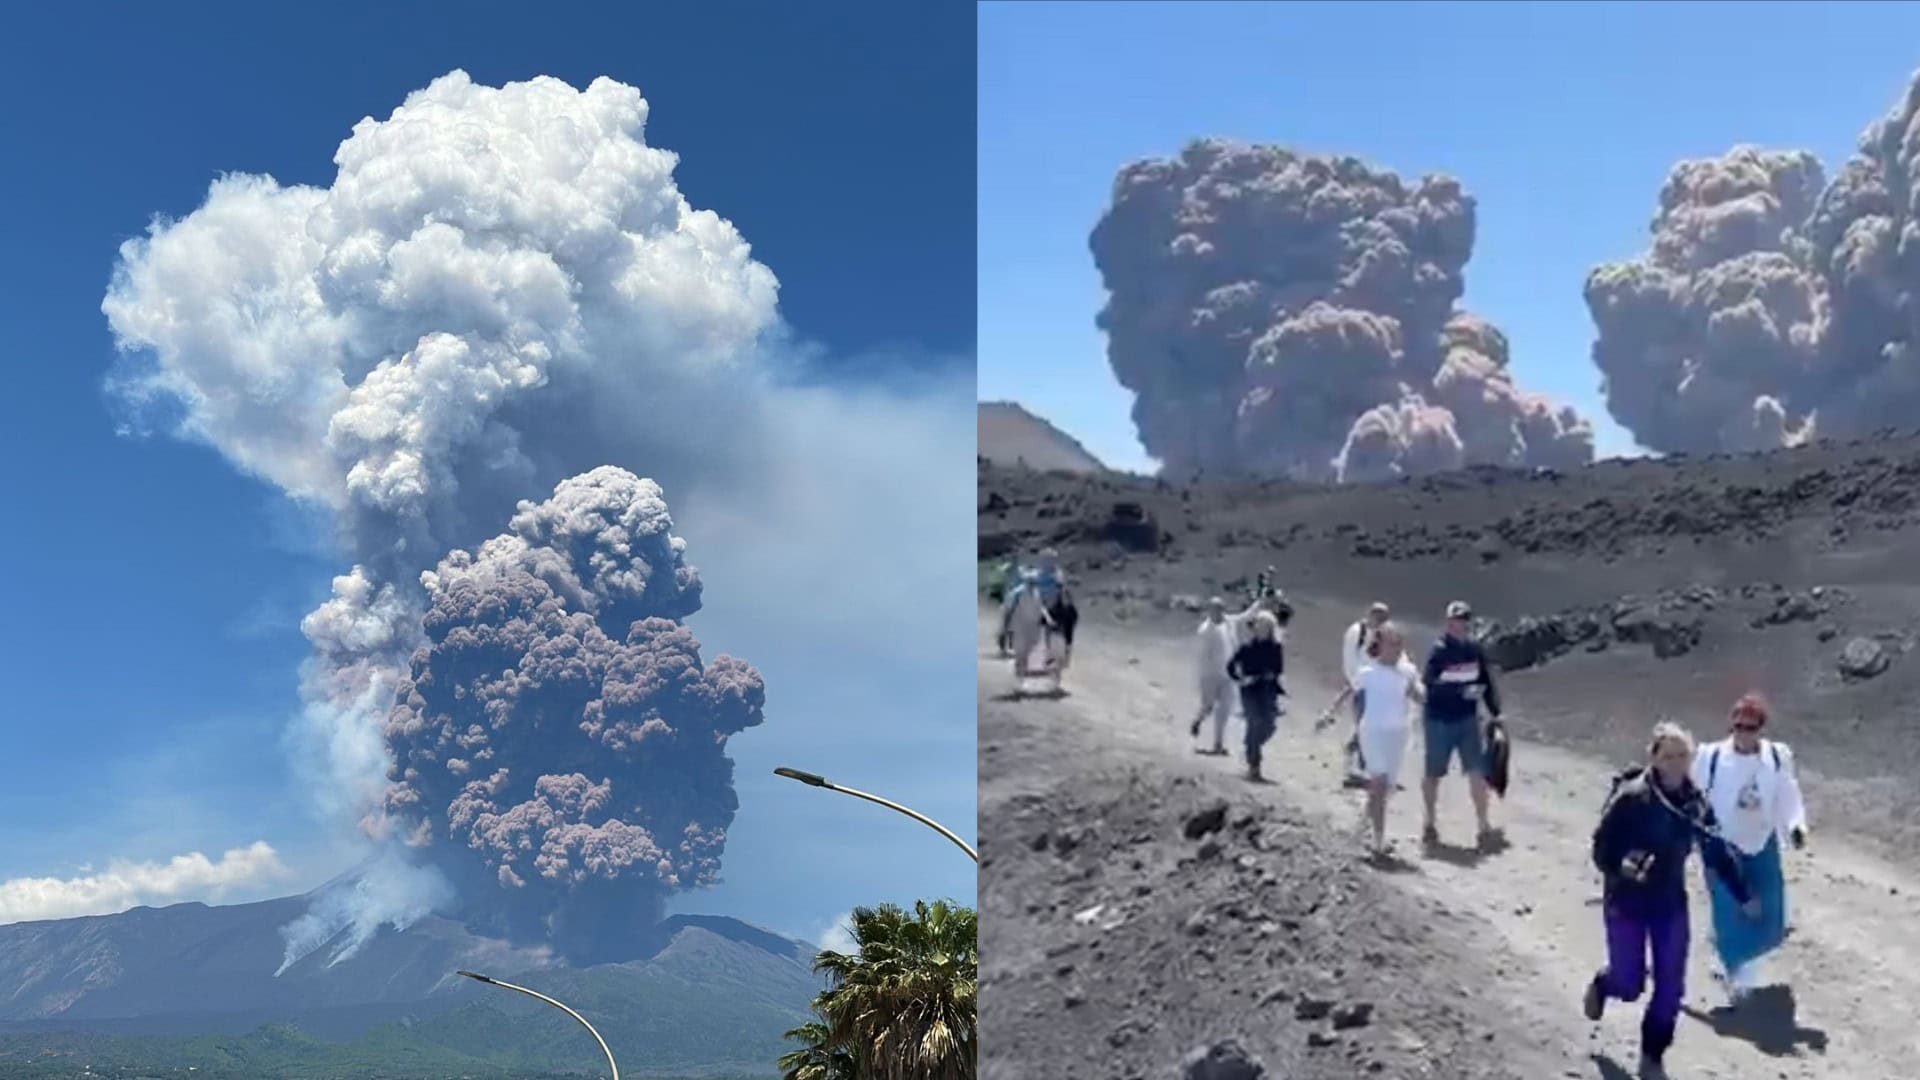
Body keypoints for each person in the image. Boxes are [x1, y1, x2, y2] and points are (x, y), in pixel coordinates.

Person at [1585, 722, 1758, 1076]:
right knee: (1629, 984)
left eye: (1682, 755)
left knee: (1671, 988)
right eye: (1668, 756)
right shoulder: (1631, 798)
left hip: (1669, 905)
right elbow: (1601, 847)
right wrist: (1622, 865)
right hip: (1626, 902)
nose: (1676, 763)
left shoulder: (1695, 804)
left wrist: (1743, 895)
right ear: (1654, 758)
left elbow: (1717, 852)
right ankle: (1605, 985)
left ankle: (1652, 1056)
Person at [1691, 692, 1809, 1004]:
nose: (1744, 732)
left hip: (1762, 842)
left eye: (1751, 727)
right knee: (1730, 913)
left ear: (1761, 728)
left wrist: (1795, 826)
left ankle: (1730, 954)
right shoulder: (1710, 757)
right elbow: (1692, 798)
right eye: (1739, 726)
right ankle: (1737, 976)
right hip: (1721, 846)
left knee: (1772, 922)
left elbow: (1787, 793)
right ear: (1732, 725)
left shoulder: (1776, 756)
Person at [1319, 622, 1424, 856]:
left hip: (1398, 734)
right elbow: (1349, 691)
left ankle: (1363, 827)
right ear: (1380, 645)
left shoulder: (1407, 672)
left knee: (1384, 788)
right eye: (1392, 644)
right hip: (1373, 732)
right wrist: (1329, 714)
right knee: (1378, 783)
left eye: (1399, 644)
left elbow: (1419, 696)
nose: (1396, 649)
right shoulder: (1368, 673)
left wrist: (1426, 695)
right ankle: (1378, 841)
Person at [1420, 600, 1503, 850]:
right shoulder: (1439, 651)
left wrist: (1495, 712)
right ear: (1448, 622)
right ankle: (1429, 822)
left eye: (1464, 620)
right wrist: (1456, 691)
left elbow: (1486, 682)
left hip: (1466, 719)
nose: (1460, 625)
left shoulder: (1474, 650)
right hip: (1439, 720)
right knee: (1434, 773)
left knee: (1476, 771)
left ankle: (1483, 825)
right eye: (1456, 620)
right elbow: (1429, 686)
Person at [1226, 610, 1286, 782]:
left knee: (1269, 726)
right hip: (1250, 690)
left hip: (1268, 691)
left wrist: (1271, 676)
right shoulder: (1246, 647)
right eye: (1259, 625)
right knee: (1254, 722)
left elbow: (1279, 669)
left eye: (1265, 626)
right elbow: (1230, 666)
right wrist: (1241, 679)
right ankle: (1254, 765)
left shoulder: (1276, 648)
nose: (1261, 629)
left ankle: (1250, 745)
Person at [1339, 602, 1393, 786]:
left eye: (1383, 617)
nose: (1380, 621)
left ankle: (1363, 765)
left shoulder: (1385, 635)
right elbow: (1349, 659)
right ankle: (1362, 768)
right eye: (1377, 616)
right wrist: (1357, 684)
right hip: (1362, 688)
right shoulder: (1357, 632)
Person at [1000, 551, 1066, 689]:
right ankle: (1019, 680)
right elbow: (1010, 605)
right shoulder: (1020, 590)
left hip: (1035, 625)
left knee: (1029, 650)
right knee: (1021, 653)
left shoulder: (1049, 581)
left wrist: (1048, 619)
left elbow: (1042, 606)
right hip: (1021, 626)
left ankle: (1022, 677)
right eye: (1030, 582)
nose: (1033, 584)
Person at [1190, 597, 1239, 755]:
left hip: (1226, 675)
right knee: (1208, 706)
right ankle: (1198, 720)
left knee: (1225, 708)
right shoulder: (1205, 631)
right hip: (1210, 675)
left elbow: (1244, 616)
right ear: (1210, 611)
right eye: (1216, 610)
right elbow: (1203, 656)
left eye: (1221, 609)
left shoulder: (1226, 625)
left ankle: (1218, 743)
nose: (1220, 613)